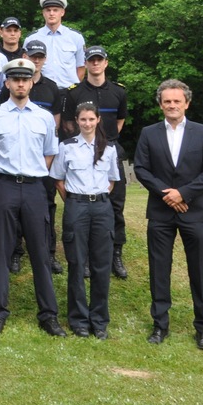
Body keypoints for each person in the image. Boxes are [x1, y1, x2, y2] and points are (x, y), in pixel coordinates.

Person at [134, 79, 203, 351]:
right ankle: (160, 325)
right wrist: (166, 194)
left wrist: (182, 193)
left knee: (199, 270)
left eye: (177, 101)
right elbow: (141, 169)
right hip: (160, 213)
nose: (172, 105)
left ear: (187, 103)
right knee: (159, 270)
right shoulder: (148, 133)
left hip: (193, 212)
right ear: (161, 104)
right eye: (167, 101)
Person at [0, 58, 65, 337]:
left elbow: (50, 153)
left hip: (34, 188)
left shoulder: (42, 117)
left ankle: (48, 315)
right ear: (7, 83)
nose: (20, 84)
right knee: (2, 251)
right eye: (15, 79)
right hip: (4, 186)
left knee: (40, 252)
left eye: (24, 79)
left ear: (31, 83)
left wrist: (35, 172)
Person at [51, 102, 120, 339]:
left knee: (101, 265)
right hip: (76, 206)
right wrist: (75, 200)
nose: (87, 123)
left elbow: (111, 181)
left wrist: (96, 198)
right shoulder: (66, 147)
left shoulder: (109, 148)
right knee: (77, 263)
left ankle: (99, 320)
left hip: (101, 207)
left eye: (91, 119)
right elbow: (58, 179)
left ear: (98, 120)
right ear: (77, 122)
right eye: (83, 120)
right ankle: (79, 320)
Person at [61, 45, 130, 279]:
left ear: (106, 63)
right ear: (87, 64)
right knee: (84, 208)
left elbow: (119, 122)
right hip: (81, 152)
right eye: (91, 60)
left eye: (99, 60)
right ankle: (88, 258)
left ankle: (115, 254)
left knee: (115, 204)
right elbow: (69, 125)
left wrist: (104, 142)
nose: (95, 64)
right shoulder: (74, 93)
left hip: (109, 151)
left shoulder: (119, 92)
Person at [27, 0, 85, 89]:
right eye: (48, 10)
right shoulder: (32, 38)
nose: (51, 13)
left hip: (69, 91)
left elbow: (81, 67)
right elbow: (28, 67)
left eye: (55, 10)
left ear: (62, 12)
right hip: (42, 90)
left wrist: (74, 88)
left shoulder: (76, 37)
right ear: (43, 13)